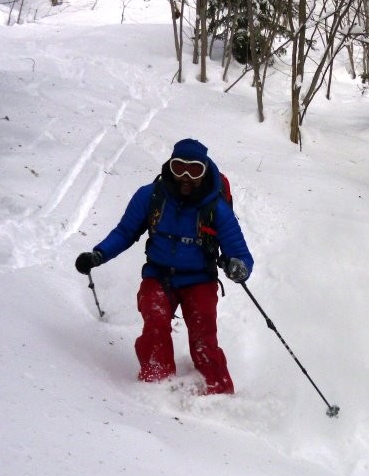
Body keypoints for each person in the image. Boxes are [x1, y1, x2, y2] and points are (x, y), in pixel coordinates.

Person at [75, 138, 253, 395]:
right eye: (179, 167)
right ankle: (155, 386)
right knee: (155, 320)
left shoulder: (216, 209)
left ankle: (218, 391)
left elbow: (241, 253)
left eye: (194, 170)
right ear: (170, 166)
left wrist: (239, 267)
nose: (185, 177)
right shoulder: (151, 196)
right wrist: (98, 255)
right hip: (158, 275)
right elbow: (125, 232)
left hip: (199, 278)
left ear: (204, 172)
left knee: (203, 332)